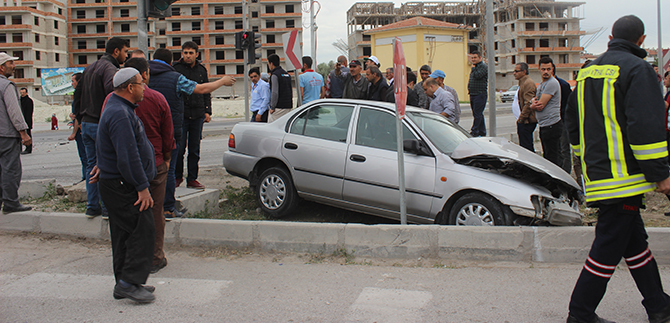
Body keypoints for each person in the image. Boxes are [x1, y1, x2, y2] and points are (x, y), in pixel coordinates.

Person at [565, 15, 670, 323]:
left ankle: (659, 306)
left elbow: (574, 126)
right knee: (607, 248)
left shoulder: (585, 73)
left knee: (634, 242)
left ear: (611, 36)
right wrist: (661, 174)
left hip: (598, 175)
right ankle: (580, 313)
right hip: (625, 179)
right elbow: (646, 127)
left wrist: (586, 163)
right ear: (641, 40)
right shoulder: (639, 69)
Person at [92, 67, 156, 303]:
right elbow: (127, 155)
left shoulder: (117, 107)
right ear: (130, 87)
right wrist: (142, 186)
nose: (144, 88)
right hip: (122, 184)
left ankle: (125, 282)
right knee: (143, 227)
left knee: (123, 232)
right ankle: (129, 282)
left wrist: (102, 163)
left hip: (115, 181)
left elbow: (107, 143)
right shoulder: (119, 113)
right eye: (141, 83)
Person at [149, 48, 234, 219]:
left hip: (148, 131)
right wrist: (222, 81)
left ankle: (150, 206)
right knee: (169, 168)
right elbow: (202, 89)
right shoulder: (175, 77)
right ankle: (167, 208)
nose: (187, 55)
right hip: (170, 130)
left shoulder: (143, 77)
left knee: (150, 168)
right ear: (171, 60)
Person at [123, 57, 175, 275]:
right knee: (155, 212)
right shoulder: (157, 98)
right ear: (144, 75)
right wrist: (166, 158)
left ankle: (131, 256)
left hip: (125, 166)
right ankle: (154, 257)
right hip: (154, 164)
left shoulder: (113, 100)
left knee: (129, 212)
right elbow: (168, 133)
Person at [76, 37, 129, 218]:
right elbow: (113, 93)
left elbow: (77, 95)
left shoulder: (90, 67)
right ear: (116, 51)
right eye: (125, 51)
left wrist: (79, 119)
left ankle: (92, 206)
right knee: (106, 166)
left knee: (91, 166)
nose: (126, 55)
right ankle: (107, 207)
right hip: (100, 124)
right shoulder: (110, 69)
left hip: (86, 123)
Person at [174, 41, 234, 190]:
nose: (187, 56)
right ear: (182, 53)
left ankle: (192, 179)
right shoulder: (175, 69)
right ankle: (177, 177)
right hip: (182, 114)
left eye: (190, 53)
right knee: (179, 149)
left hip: (197, 114)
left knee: (194, 149)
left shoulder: (201, 70)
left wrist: (208, 111)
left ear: (196, 54)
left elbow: (206, 91)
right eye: (185, 52)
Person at [0, 52, 32, 213]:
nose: (14, 66)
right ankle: (11, 203)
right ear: (1, 67)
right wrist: (23, 133)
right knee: (10, 170)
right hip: (6, 135)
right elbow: (14, 111)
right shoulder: (6, 85)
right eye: (10, 63)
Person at [530, 57, 563, 167]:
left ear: (552, 69)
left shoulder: (552, 83)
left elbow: (540, 106)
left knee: (553, 158)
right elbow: (536, 100)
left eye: (548, 69)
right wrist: (533, 102)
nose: (546, 72)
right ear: (539, 69)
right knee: (548, 156)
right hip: (545, 125)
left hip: (552, 125)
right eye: (543, 69)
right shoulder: (542, 84)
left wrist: (532, 105)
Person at [514, 62, 537, 152]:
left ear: (524, 72)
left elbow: (528, 103)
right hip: (524, 121)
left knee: (527, 148)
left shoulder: (528, 83)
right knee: (524, 147)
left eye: (517, 71)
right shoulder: (523, 83)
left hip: (527, 121)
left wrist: (521, 119)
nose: (514, 73)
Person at [68, 73, 87, 183]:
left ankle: (86, 178)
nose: (72, 83)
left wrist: (74, 133)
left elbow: (77, 117)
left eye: (73, 81)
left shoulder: (79, 95)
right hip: (82, 128)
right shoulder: (84, 93)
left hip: (81, 130)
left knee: (85, 157)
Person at [555, 68, 573, 174]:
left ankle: (566, 172)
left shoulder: (563, 85)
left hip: (563, 120)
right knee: (557, 148)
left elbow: (569, 103)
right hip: (554, 121)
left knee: (564, 148)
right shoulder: (546, 85)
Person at [267, 53, 293, 123]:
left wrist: (272, 107)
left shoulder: (275, 75)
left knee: (271, 128)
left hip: (279, 107)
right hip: (288, 106)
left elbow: (274, 92)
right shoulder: (286, 74)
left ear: (271, 64)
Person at [468, 51, 488, 136]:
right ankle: (482, 131)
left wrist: (473, 69)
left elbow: (477, 75)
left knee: (478, 114)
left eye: (475, 57)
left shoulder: (483, 67)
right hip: (473, 94)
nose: (473, 59)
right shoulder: (475, 67)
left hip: (480, 94)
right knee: (477, 114)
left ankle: (475, 131)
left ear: (480, 58)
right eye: (472, 58)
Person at [19, 88, 33, 154]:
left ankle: (28, 148)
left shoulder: (29, 101)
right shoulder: (19, 101)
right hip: (20, 121)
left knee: (28, 135)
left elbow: (29, 113)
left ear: (26, 93)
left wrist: (26, 122)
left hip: (27, 121)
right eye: (21, 92)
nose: (22, 94)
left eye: (23, 92)